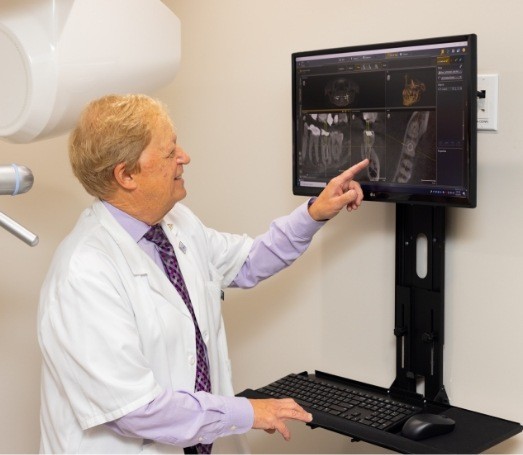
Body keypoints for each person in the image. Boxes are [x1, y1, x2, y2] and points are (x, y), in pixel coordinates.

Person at [38, 94, 369, 454]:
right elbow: (136, 410)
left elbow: (247, 261)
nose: (184, 157)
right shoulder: (85, 272)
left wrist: (314, 214)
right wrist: (247, 412)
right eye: (169, 152)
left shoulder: (175, 223)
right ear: (127, 174)